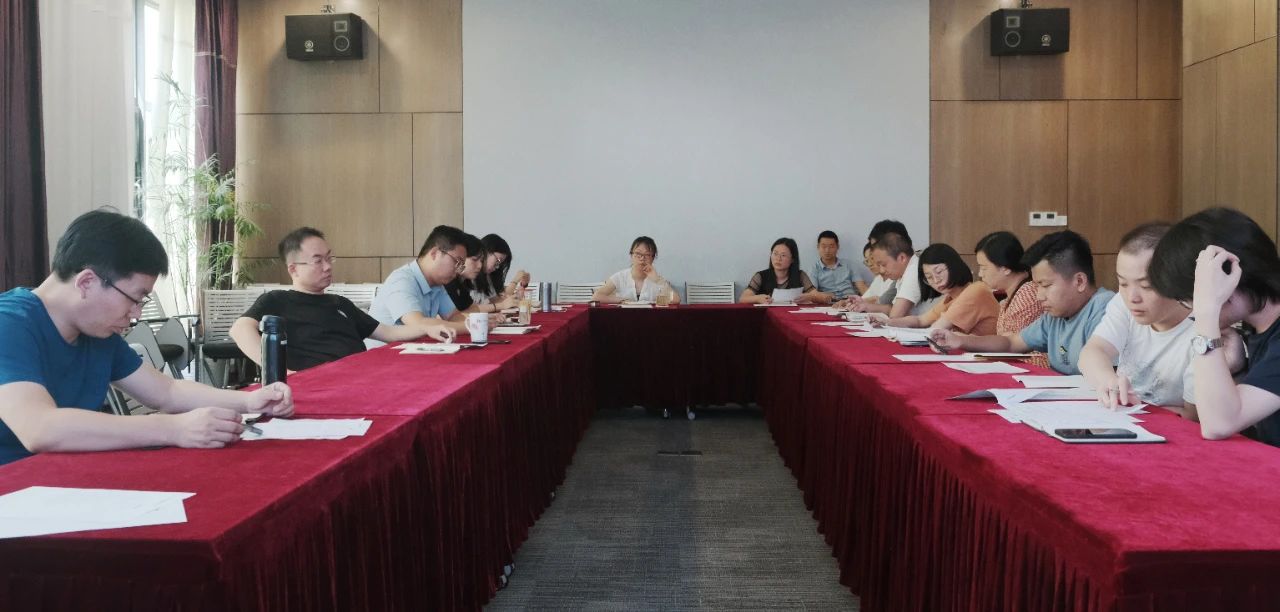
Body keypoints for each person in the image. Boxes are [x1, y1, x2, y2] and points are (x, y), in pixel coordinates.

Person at [0, 210, 294, 466]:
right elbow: (39, 427)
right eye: (135, 298)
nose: (136, 314)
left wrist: (250, 401)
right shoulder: (9, 324)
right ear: (87, 282)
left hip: (62, 478)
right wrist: (173, 429)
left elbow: (167, 392)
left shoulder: (96, 331)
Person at [230, 227, 454, 372]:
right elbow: (240, 329)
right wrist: (281, 373)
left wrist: (427, 328)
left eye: (329, 258)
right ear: (293, 269)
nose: (328, 267)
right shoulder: (277, 300)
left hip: (361, 375)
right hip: (318, 383)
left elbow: (388, 332)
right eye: (318, 261)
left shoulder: (339, 303)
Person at [1148, 207, 1280, 444]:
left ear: (1229, 278)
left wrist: (1207, 317)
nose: (1192, 311)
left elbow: (1218, 425)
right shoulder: (1252, 328)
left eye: (1191, 298)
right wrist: (1237, 370)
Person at [931, 230, 1114, 375]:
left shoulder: (1106, 310)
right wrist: (960, 340)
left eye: (1045, 285)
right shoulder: (1055, 315)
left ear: (1079, 281)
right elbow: (1011, 343)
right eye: (1037, 286)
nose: (1039, 296)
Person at [1076, 223, 1211, 414]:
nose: (1132, 297)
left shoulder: (1204, 328)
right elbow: (1093, 351)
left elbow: (1194, 416)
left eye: (1146, 286)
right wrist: (1108, 380)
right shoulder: (1123, 303)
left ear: (1178, 280)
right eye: (1123, 283)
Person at [370, 224, 478, 339]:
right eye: (457, 262)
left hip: (414, 347)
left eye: (461, 265)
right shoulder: (401, 280)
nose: (458, 271)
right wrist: (472, 326)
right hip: (385, 349)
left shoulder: (437, 283)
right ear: (434, 253)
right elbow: (418, 324)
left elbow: (453, 317)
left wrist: (477, 322)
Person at [870, 243, 998, 335]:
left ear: (954, 266)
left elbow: (935, 329)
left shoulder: (975, 291)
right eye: (929, 277)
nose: (936, 281)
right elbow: (920, 320)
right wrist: (886, 322)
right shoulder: (949, 298)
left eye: (939, 272)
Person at [973, 231, 1047, 368]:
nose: (980, 274)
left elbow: (1013, 346)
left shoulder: (1028, 293)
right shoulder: (1012, 295)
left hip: (1034, 368)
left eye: (984, 268)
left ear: (1005, 268)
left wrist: (969, 341)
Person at [845, 232, 935, 316]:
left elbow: (896, 315)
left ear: (902, 258)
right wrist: (865, 306)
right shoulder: (902, 273)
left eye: (883, 265)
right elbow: (892, 308)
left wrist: (867, 306)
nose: (881, 270)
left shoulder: (914, 268)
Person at [592, 236, 682, 304]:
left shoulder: (657, 280)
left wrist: (658, 281)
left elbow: (676, 300)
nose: (642, 258)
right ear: (631, 255)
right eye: (638, 254)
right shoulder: (620, 277)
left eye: (647, 255)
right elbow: (596, 296)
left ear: (653, 258)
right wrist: (622, 300)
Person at [739, 238, 820, 304]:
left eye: (783, 255)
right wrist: (757, 298)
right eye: (775, 254)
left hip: (792, 315)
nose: (778, 258)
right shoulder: (761, 276)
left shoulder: (800, 275)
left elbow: (817, 296)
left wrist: (810, 297)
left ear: (792, 259)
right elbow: (743, 299)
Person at [467, 234, 528, 313]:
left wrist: (515, 297)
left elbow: (493, 301)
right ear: (486, 251)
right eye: (498, 260)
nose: (497, 267)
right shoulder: (468, 276)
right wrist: (515, 280)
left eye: (500, 263)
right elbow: (469, 310)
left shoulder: (487, 276)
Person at [810, 230, 871, 302]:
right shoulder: (814, 268)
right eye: (824, 246)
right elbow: (812, 293)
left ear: (837, 247)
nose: (827, 250)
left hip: (850, 301)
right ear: (818, 247)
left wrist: (873, 301)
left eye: (831, 246)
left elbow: (862, 287)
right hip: (829, 303)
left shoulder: (849, 265)